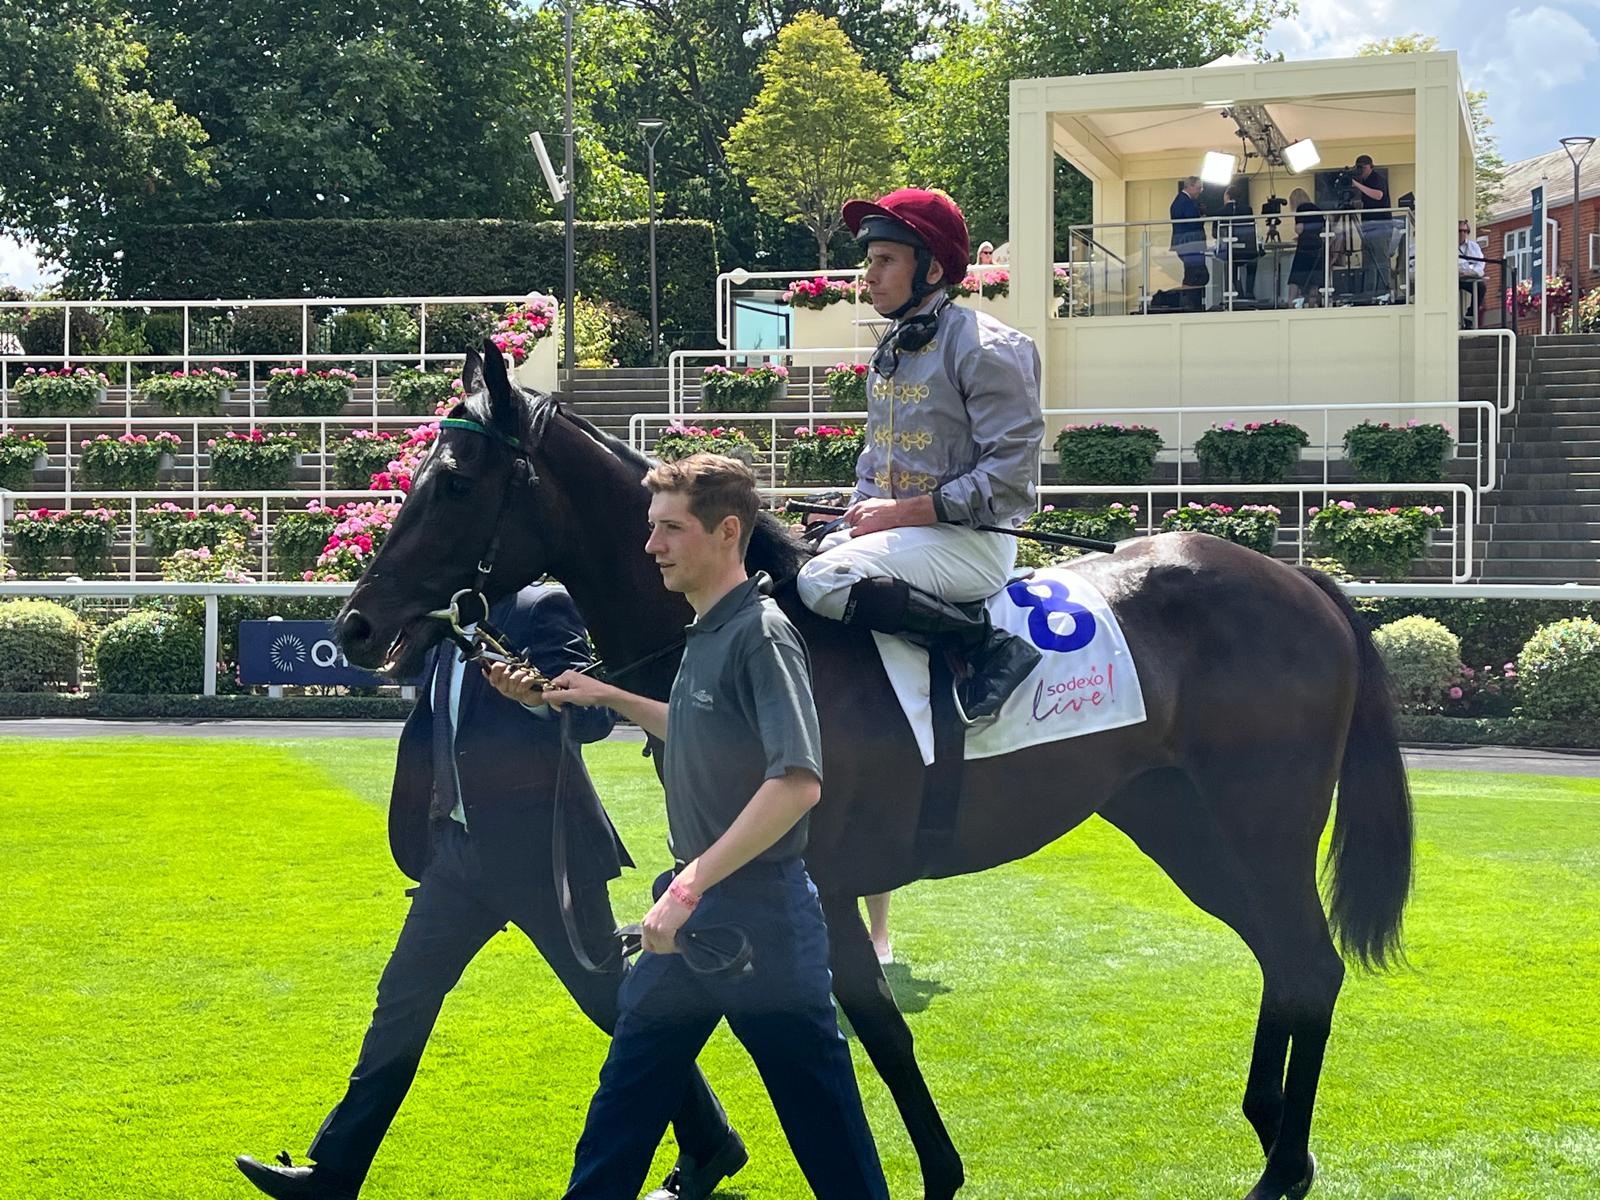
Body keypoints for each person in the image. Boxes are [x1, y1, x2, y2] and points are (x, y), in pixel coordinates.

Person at [234, 585, 744, 1200]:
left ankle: (709, 1141)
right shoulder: (443, 620)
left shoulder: (539, 608)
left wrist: (533, 700)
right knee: (402, 1000)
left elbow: (590, 717)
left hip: (544, 858)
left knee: (616, 1008)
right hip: (458, 856)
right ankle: (333, 1173)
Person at [497, 454, 890, 1200]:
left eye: (671, 529)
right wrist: (604, 697)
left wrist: (690, 884)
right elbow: (707, 731)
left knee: (828, 1133)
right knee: (624, 1103)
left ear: (727, 531)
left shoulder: (762, 635)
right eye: (652, 529)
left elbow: (797, 782)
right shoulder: (707, 629)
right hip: (697, 916)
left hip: (763, 920)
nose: (652, 547)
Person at [793, 186, 1046, 724]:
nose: (870, 276)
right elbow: (877, 466)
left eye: (885, 261)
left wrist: (898, 513)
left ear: (931, 271)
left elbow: (1009, 482)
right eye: (869, 261)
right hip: (902, 536)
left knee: (822, 580)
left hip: (972, 543)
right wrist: (845, 509)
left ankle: (986, 644)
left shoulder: (990, 348)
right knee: (790, 561)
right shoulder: (895, 344)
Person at [1349, 154, 1393, 298]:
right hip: (1369, 227)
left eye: (1363, 166)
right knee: (1369, 262)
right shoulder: (1365, 181)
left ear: (1370, 167)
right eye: (1358, 167)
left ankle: (1383, 292)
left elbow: (1378, 195)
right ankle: (1369, 294)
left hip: (1380, 226)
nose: (1361, 169)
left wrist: (1357, 185)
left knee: (1380, 260)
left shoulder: (1376, 178)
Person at [1213, 184, 1258, 304]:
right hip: (1246, 251)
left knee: (1229, 264)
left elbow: (1214, 233)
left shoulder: (1219, 212)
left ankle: (1239, 292)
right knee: (1254, 260)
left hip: (1229, 252)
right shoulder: (1248, 210)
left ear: (1227, 195)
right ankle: (1250, 292)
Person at [1171, 176, 1209, 311]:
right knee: (1196, 275)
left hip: (1186, 244)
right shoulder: (1185, 202)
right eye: (1199, 188)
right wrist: (1202, 217)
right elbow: (1192, 222)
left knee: (1194, 274)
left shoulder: (1181, 200)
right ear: (1190, 186)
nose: (1201, 191)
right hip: (1190, 244)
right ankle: (1191, 306)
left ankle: (1192, 305)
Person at [1288, 198, 1326, 307]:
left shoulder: (1301, 209)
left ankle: (1291, 305)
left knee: (1295, 279)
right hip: (1317, 249)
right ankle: (1312, 307)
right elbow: (1323, 228)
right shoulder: (1318, 210)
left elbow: (1299, 229)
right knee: (1314, 283)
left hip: (1303, 249)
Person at [1458, 219, 1486, 328]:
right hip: (1453, 278)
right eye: (1460, 231)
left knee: (1481, 287)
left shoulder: (1474, 246)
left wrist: (1469, 272)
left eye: (1465, 231)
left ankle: (1469, 317)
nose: (1463, 234)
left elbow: (1480, 266)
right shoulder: (1448, 246)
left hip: (1469, 277)